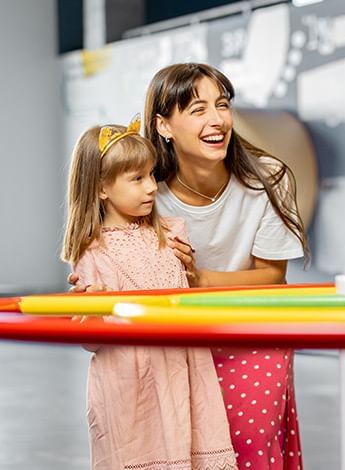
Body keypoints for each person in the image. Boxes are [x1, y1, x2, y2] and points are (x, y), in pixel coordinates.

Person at [146, 63, 310, 470]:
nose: (217, 119)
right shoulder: (148, 190)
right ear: (164, 126)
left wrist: (201, 279)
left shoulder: (267, 179)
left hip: (251, 329)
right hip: (178, 340)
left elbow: (273, 278)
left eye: (223, 105)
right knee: (180, 452)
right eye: (198, 109)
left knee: (251, 446)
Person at [61, 117, 237, 469]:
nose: (153, 187)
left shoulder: (169, 235)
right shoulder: (93, 253)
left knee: (189, 450)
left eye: (152, 174)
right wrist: (92, 309)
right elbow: (91, 342)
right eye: (137, 178)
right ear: (101, 188)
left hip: (182, 370)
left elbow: (185, 300)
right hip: (132, 382)